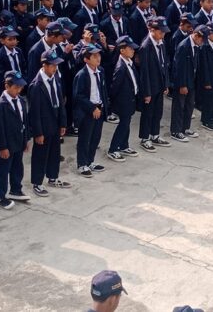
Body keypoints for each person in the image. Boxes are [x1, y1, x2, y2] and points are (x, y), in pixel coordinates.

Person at [28, 49, 71, 196]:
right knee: (40, 155)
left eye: (56, 65)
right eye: (52, 65)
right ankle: (37, 183)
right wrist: (38, 133)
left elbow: (60, 102)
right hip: (43, 125)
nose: (55, 68)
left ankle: (53, 177)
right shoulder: (36, 85)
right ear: (44, 65)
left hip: (55, 122)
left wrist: (63, 123)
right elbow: (34, 112)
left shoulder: (55, 79)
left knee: (54, 152)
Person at [0, 71, 31, 209]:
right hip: (6, 144)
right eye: (15, 87)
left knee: (17, 167)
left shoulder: (20, 100)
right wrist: (2, 147)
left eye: (20, 87)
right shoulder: (0, 105)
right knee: (3, 169)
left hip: (18, 141)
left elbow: (24, 121)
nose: (18, 90)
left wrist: (26, 139)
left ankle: (16, 189)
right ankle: (1, 195)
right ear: (7, 86)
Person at [137, 17, 171, 152]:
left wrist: (166, 84)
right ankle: (145, 138)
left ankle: (155, 134)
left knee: (158, 112)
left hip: (160, 84)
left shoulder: (161, 43)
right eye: (160, 32)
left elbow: (164, 64)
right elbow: (144, 72)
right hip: (150, 86)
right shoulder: (146, 46)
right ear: (152, 30)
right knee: (148, 113)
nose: (162, 34)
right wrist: (146, 92)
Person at [74, 43, 108, 176]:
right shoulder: (81, 75)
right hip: (87, 111)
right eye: (94, 56)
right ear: (86, 59)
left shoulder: (101, 71)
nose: (98, 58)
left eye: (98, 55)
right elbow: (78, 96)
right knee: (85, 138)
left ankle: (90, 161)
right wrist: (92, 108)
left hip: (99, 108)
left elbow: (102, 90)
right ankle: (82, 164)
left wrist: (103, 106)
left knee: (95, 137)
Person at [170, 25, 206, 142]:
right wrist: (182, 85)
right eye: (202, 39)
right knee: (179, 106)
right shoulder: (184, 46)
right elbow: (179, 68)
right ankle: (176, 130)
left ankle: (185, 127)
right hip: (183, 82)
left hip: (191, 80)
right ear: (196, 36)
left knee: (189, 105)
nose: (203, 43)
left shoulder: (195, 45)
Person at [107, 36, 140, 162]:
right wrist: (113, 103)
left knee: (126, 123)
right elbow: (115, 87)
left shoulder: (129, 63)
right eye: (130, 48)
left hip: (130, 99)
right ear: (122, 50)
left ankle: (124, 146)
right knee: (123, 124)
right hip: (123, 102)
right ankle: (113, 149)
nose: (133, 51)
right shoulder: (120, 67)